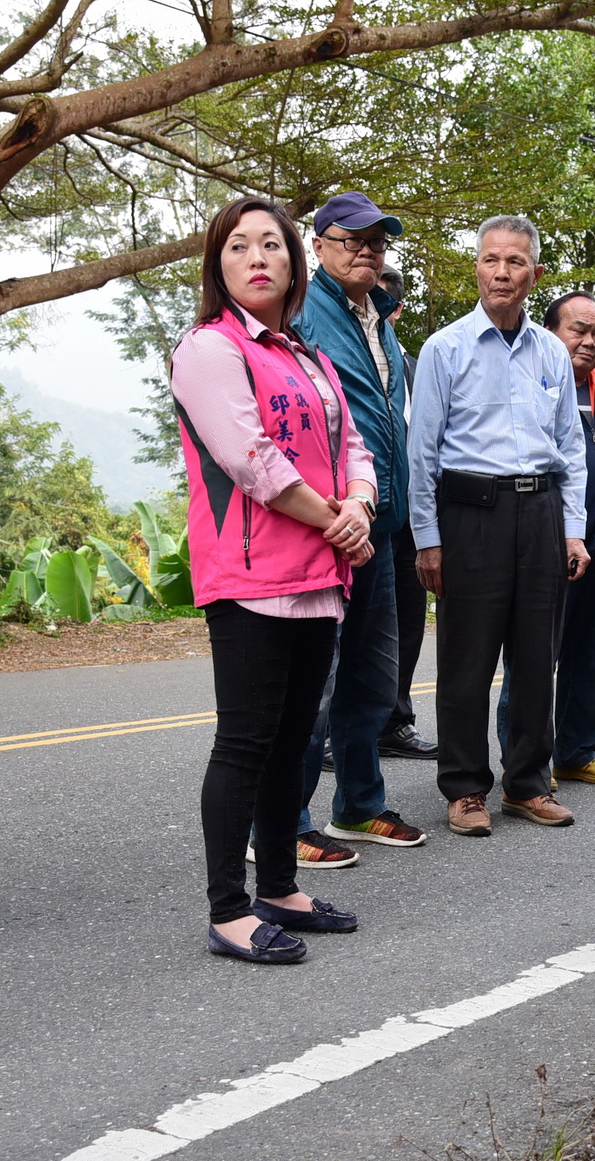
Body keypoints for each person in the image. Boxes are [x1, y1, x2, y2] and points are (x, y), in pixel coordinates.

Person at [171, 196, 377, 965]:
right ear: (217, 265)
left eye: (271, 245)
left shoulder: (307, 355)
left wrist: (359, 504)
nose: (256, 258)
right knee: (246, 742)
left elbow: (354, 447)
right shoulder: (208, 348)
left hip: (319, 574)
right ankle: (228, 909)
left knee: (295, 742)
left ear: (294, 264)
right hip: (250, 576)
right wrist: (337, 520)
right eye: (238, 246)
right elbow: (249, 457)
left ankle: (281, 887)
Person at [247, 192, 425, 871]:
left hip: (380, 522)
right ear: (317, 246)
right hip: (326, 525)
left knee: (370, 679)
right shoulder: (301, 311)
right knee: (313, 688)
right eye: (352, 239)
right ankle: (283, 824)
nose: (367, 251)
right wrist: (327, 507)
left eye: (377, 241)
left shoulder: (379, 317)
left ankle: (357, 804)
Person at [408, 215, 589, 836]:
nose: (502, 273)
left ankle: (527, 785)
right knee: (467, 659)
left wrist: (571, 529)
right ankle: (464, 789)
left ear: (534, 273)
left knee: (536, 658)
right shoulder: (445, 348)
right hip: (470, 515)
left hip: (539, 513)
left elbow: (569, 447)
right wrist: (428, 539)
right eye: (491, 260)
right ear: (477, 268)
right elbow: (422, 452)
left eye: (515, 262)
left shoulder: (551, 352)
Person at [495, 291, 595, 786]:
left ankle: (576, 752)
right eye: (579, 330)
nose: (590, 342)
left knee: (590, 655)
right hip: (548, 543)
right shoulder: (533, 385)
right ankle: (524, 762)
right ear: (550, 332)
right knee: (534, 657)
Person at [377, 266, 438, 761]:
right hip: (363, 515)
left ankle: (395, 721)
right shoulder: (333, 356)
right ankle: (336, 729)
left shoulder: (416, 368)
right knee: (358, 626)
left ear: (395, 309)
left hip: (412, 516)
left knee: (409, 622)